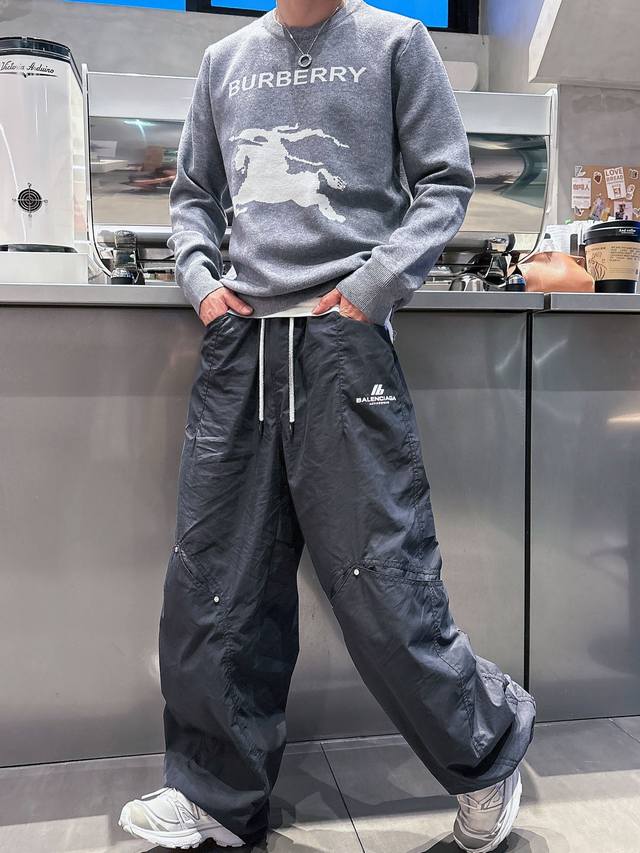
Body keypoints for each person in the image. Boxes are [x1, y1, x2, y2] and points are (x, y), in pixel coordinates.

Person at [119, 1, 536, 850]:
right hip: (242, 344)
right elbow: (193, 195)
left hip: (342, 346)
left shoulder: (396, 42)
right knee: (218, 579)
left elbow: (447, 181)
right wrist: (203, 285)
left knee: (380, 578)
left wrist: (369, 292)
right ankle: (215, 796)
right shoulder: (224, 59)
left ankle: (486, 756)